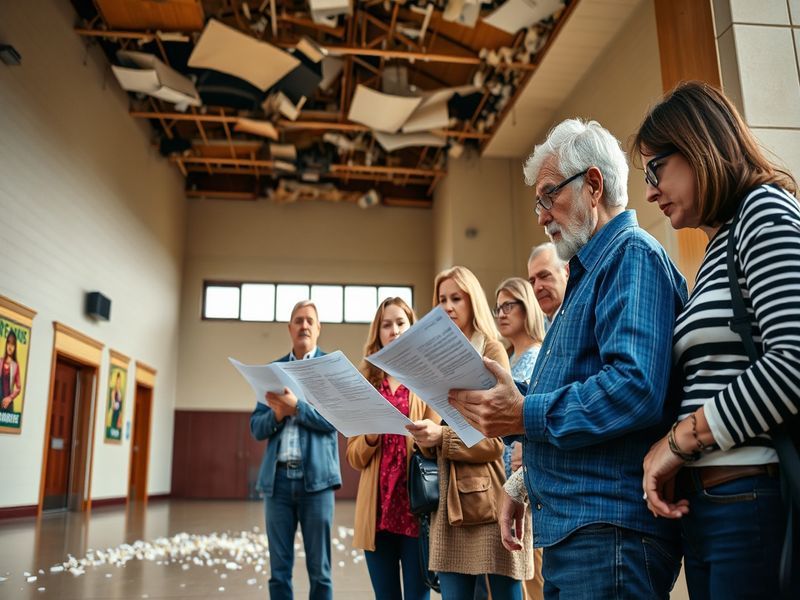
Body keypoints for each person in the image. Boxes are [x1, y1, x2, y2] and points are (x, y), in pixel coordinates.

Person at [448, 118, 688, 599]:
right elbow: (567, 395)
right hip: (579, 529)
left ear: (592, 185)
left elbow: (632, 387)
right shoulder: (590, 274)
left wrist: (523, 410)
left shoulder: (630, 257)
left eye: (548, 195)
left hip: (608, 530)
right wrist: (523, 479)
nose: (541, 215)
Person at [635, 81, 800, 599]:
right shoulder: (715, 247)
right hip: (712, 510)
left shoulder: (763, 212)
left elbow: (793, 362)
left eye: (655, 169)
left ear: (699, 147)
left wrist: (679, 442)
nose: (650, 191)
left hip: (751, 502)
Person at [407, 265, 532, 600]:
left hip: (487, 500)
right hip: (446, 501)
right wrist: (424, 435)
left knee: (506, 594)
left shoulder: (490, 350)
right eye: (442, 299)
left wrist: (441, 438)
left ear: (472, 300)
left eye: (456, 298)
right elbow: (436, 427)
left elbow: (495, 441)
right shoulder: (432, 358)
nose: (448, 306)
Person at [347, 297, 440, 600]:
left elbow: (439, 444)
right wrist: (371, 436)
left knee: (418, 596)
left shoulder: (427, 377)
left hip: (417, 509)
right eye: (387, 325)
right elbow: (354, 457)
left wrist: (427, 436)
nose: (394, 330)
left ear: (412, 327)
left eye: (401, 322)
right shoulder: (365, 381)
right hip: (379, 512)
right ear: (378, 332)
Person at [249, 300, 341, 600]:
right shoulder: (273, 372)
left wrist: (297, 408)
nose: (304, 325)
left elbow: (335, 420)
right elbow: (256, 428)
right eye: (298, 320)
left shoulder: (328, 370)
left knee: (321, 573)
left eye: (309, 321)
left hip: (317, 484)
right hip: (277, 484)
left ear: (318, 329)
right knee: (278, 574)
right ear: (290, 329)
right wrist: (277, 414)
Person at [494, 277, 546, 600]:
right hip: (506, 479)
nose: (500, 313)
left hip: (527, 478)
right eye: (497, 307)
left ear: (526, 309)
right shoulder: (511, 360)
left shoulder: (539, 355)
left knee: (534, 575)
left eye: (508, 305)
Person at [526, 243, 568, 330]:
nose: (537, 287)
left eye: (544, 276)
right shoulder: (537, 331)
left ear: (567, 272)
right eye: (532, 281)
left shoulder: (582, 318)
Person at [0, 331, 20, 412]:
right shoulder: (0, 361)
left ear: (15, 347)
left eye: (12, 344)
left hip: (8, 405)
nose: (10, 347)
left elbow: (18, 387)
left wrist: (10, 398)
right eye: (8, 343)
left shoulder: (15, 366)